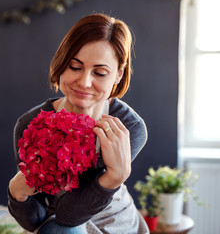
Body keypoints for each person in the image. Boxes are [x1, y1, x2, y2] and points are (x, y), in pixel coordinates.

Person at [8, 13, 149, 234]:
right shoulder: (30, 124)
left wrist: (114, 178)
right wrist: (16, 193)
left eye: (100, 72)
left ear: (118, 75)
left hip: (113, 221)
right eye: (75, 67)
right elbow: (34, 220)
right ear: (62, 63)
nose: (84, 82)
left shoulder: (128, 127)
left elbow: (68, 216)